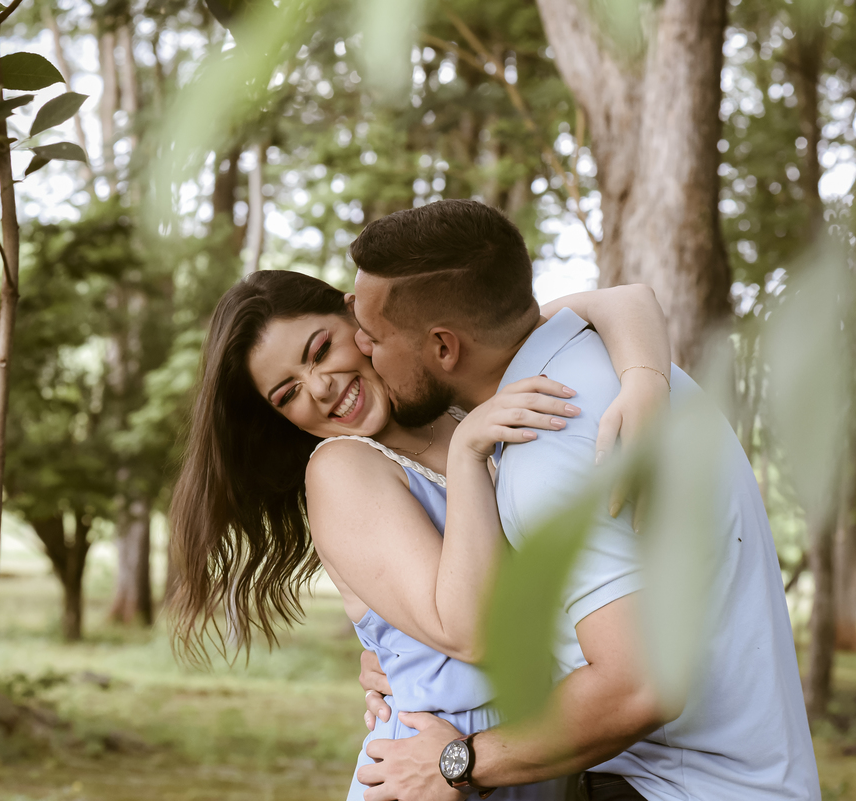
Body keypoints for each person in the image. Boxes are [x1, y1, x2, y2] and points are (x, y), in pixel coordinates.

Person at [349, 199, 821, 800]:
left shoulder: (549, 444)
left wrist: (454, 761)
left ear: (444, 347)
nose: (363, 351)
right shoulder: (625, 372)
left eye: (375, 338)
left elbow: (638, 684)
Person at [169, 268, 674, 801]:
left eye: (320, 350)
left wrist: (644, 382)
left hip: (531, 757)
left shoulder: (459, 398)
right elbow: (471, 633)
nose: (320, 388)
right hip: (430, 773)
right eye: (287, 393)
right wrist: (468, 455)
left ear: (356, 315)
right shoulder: (341, 468)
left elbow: (625, 300)